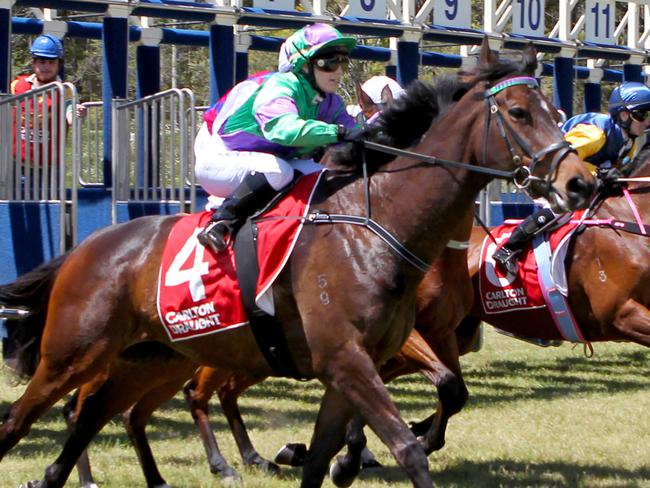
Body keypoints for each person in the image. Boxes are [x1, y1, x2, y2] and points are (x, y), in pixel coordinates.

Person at [194, 23, 364, 252]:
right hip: (218, 154)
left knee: (322, 176)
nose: (339, 70)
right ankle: (221, 221)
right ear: (303, 65)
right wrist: (336, 132)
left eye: (342, 61)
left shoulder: (329, 101)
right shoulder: (280, 85)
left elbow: (354, 133)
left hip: (263, 158)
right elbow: (284, 130)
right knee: (278, 171)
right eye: (329, 62)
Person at [493, 81, 650, 274]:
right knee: (565, 208)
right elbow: (561, 161)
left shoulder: (628, 142)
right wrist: (599, 173)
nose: (647, 122)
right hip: (544, 176)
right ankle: (510, 247)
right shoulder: (595, 134)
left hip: (577, 183)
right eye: (642, 115)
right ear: (624, 115)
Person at [10, 34, 86, 168]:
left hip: (48, 170)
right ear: (33, 62)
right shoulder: (17, 85)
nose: (46, 67)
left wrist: (77, 114)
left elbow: (71, 114)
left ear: (59, 64)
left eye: (52, 62)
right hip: (15, 167)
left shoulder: (65, 91)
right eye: (42, 61)